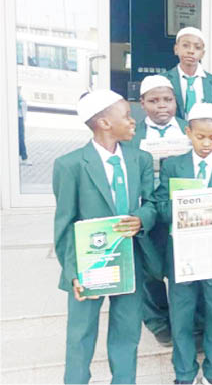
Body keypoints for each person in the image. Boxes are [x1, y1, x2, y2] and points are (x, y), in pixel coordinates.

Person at [52, 90, 158, 384]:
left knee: (127, 333)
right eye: (126, 115)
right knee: (80, 334)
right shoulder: (70, 165)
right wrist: (73, 271)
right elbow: (65, 224)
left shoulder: (141, 159)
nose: (133, 120)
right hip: (89, 263)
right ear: (104, 123)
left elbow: (151, 203)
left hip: (129, 260)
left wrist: (142, 219)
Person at [155, 103, 212, 385]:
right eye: (200, 137)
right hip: (183, 254)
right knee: (181, 318)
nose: (206, 143)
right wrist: (180, 206)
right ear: (188, 133)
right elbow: (160, 208)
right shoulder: (173, 165)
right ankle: (184, 374)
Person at [128, 75, 187, 347]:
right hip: (147, 209)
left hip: (184, 209)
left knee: (184, 267)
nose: (161, 106)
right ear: (142, 103)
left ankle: (187, 320)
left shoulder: (190, 129)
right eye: (153, 100)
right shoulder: (131, 135)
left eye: (167, 99)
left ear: (176, 101)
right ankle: (158, 320)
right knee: (150, 269)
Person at [162, 27, 212, 153]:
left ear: (203, 53)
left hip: (205, 144)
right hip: (173, 145)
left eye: (197, 47)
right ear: (176, 49)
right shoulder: (164, 81)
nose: (191, 51)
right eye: (186, 46)